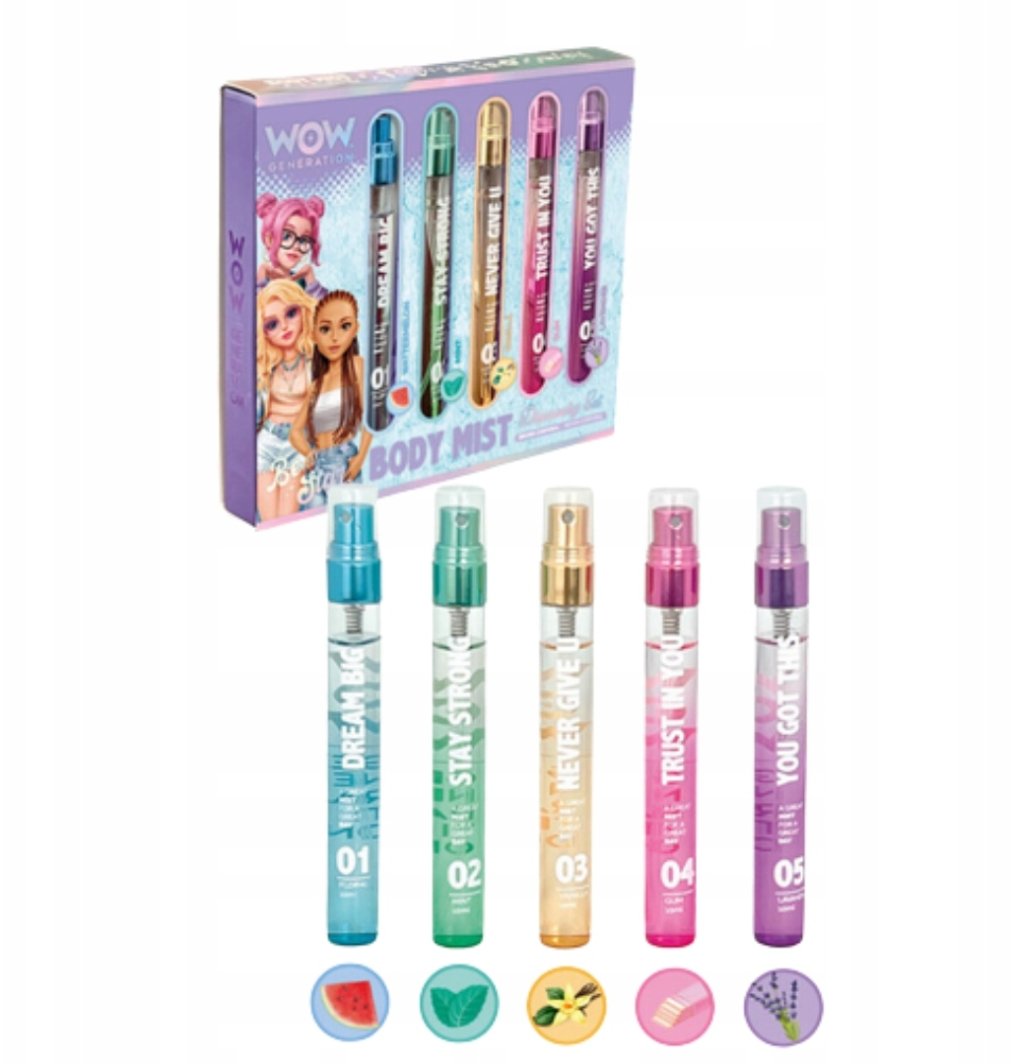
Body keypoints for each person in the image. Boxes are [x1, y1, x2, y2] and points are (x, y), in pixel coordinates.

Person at [291, 290, 372, 506]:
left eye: (344, 326)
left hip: (344, 460)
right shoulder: (316, 385)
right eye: (325, 329)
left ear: (356, 328)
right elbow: (295, 432)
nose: (335, 337)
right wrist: (309, 453)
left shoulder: (357, 366)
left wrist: (360, 457)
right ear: (314, 335)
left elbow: (372, 418)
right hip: (318, 466)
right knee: (310, 517)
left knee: (349, 515)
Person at [255, 278, 318, 519]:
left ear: (303, 310)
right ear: (264, 332)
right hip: (267, 441)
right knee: (268, 519)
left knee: (287, 518)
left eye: (291, 313)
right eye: (272, 324)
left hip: (297, 443)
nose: (284, 327)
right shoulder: (265, 366)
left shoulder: (314, 361)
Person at [255, 194, 327, 298]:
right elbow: (255, 305)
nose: (296, 246)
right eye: (287, 236)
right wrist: (261, 274)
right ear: (269, 240)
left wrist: (311, 280)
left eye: (304, 240)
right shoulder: (261, 280)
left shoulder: (303, 283)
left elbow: (328, 307)